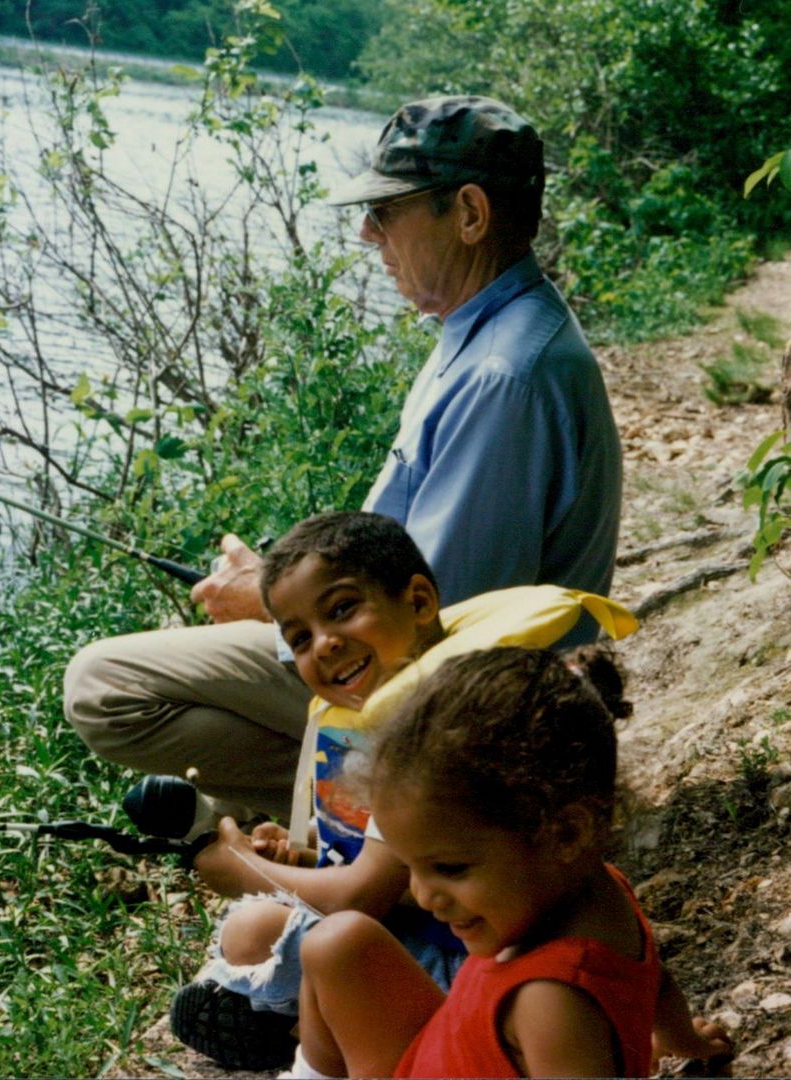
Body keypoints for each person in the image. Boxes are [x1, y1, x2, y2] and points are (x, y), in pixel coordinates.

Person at [63, 94, 621, 820]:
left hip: (464, 709)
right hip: (447, 679)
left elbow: (438, 620)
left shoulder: (502, 375)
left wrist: (276, 609)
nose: (367, 233)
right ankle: (342, 807)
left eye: (386, 212)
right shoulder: (495, 332)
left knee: (102, 687)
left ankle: (382, 811)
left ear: (470, 213)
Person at [169, 510, 638, 1070]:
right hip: (440, 936)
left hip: (467, 958)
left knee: (303, 937)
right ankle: (302, 1032)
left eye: (342, 610)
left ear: (418, 601)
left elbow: (362, 893)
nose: (324, 645)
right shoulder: (375, 723)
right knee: (279, 936)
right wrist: (305, 850)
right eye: (300, 638)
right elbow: (375, 859)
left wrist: (243, 869)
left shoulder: (439, 743)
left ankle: (311, 1031)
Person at [282, 648, 734, 1080]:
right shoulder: (602, 889)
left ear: (566, 833)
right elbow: (653, 979)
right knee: (337, 942)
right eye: (409, 867)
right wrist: (685, 1041)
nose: (422, 894)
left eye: (450, 868)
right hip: (436, 1049)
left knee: (335, 943)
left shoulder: (550, 999)